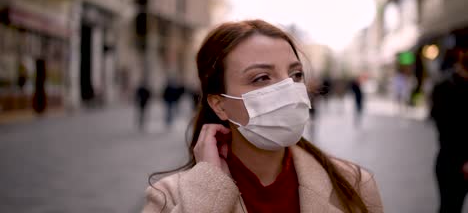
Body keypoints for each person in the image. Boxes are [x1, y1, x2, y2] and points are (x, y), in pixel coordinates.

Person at [142, 20, 383, 213]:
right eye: (261, 78)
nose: (289, 88)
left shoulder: (353, 185)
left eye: (296, 74)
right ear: (220, 105)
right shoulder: (168, 199)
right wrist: (208, 192)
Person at [430, 44, 468, 213]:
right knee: (450, 207)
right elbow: (446, 129)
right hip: (452, 162)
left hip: (453, 160)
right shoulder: (445, 89)